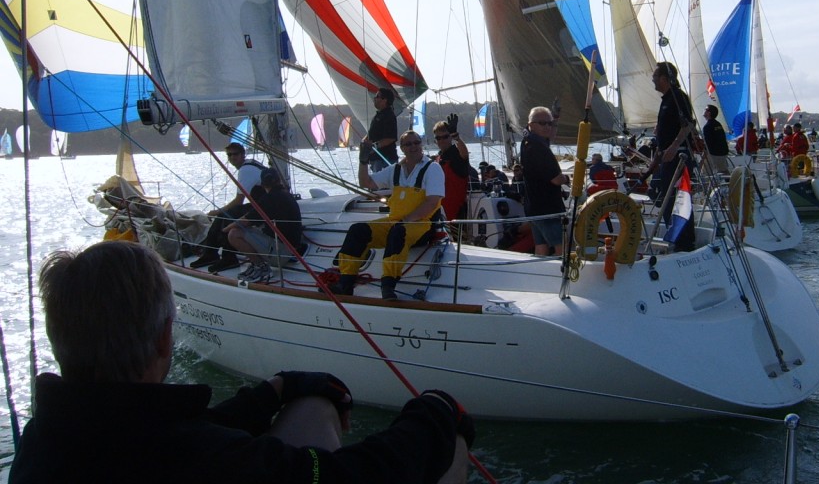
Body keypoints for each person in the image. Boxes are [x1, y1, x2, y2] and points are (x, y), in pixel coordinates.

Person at [9, 241, 472, 483]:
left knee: (312, 404)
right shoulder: (204, 461)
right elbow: (345, 477)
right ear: (164, 339)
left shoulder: (44, 441)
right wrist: (434, 411)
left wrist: (275, 391)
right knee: (449, 443)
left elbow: (149, 431)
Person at [336, 130, 445, 299]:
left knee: (398, 231)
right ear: (402, 148)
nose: (413, 146)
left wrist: (406, 220)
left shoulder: (433, 168)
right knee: (358, 230)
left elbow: (432, 202)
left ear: (421, 144)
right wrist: (363, 161)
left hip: (422, 225)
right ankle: (346, 283)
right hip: (395, 222)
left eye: (416, 142)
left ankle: (388, 286)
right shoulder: (395, 169)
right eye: (408, 144)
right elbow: (367, 182)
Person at [191, 142, 266, 272]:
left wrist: (216, 211)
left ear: (243, 154)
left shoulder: (246, 170)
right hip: (262, 204)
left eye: (235, 154)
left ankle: (226, 257)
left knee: (226, 216)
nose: (232, 158)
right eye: (229, 155)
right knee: (227, 215)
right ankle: (211, 253)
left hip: (264, 208)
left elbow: (239, 201)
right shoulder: (251, 164)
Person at [646, 62, 697, 249]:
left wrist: (674, 147)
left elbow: (688, 124)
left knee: (678, 200)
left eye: (655, 76)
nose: (652, 79)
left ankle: (685, 243)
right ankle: (676, 239)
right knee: (666, 202)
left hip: (678, 159)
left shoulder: (677, 97)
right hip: (666, 159)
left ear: (664, 79)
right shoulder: (666, 100)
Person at [226, 168, 304, 284]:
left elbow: (245, 221)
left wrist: (225, 229)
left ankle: (261, 267)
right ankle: (256, 264)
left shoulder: (269, 199)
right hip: (292, 248)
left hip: (281, 253)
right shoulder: (286, 195)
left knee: (234, 234)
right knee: (252, 229)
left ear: (263, 185)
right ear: (278, 181)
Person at [520, 106, 570, 257]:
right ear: (531, 124)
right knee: (562, 247)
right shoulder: (539, 149)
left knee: (541, 247)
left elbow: (550, 136)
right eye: (543, 123)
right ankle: (562, 277)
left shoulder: (528, 141)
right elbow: (556, 180)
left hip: (534, 208)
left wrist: (555, 119)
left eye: (550, 124)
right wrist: (568, 179)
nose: (548, 127)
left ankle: (539, 275)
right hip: (548, 209)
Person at [432, 115, 470, 222]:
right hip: (440, 211)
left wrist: (456, 137)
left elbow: (464, 154)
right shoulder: (437, 158)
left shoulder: (456, 153)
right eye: (438, 138)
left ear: (450, 137)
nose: (442, 140)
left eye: (445, 137)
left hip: (456, 213)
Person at [361, 87, 398, 172]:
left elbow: (391, 137)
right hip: (375, 160)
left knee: (383, 185)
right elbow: (373, 132)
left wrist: (374, 146)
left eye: (377, 96)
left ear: (384, 100)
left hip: (384, 159)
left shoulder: (389, 115)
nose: (375, 98)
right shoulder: (379, 115)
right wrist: (364, 141)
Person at [701, 105, 730, 175]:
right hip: (722, 152)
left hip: (713, 154)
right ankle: (732, 184)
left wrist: (703, 156)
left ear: (709, 113)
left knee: (705, 174)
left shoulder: (707, 126)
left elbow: (708, 143)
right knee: (724, 172)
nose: (704, 110)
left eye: (706, 109)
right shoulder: (718, 124)